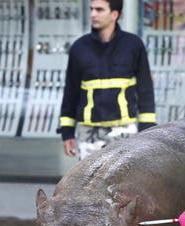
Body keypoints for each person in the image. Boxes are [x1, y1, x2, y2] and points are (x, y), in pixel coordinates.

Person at [58, 0, 157, 160]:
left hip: (125, 131)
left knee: (125, 182)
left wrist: (148, 130)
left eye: (99, 10)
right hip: (88, 133)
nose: (93, 14)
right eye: (91, 9)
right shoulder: (79, 48)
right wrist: (67, 132)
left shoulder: (133, 46)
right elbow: (71, 92)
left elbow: (145, 91)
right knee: (87, 184)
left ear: (114, 14)